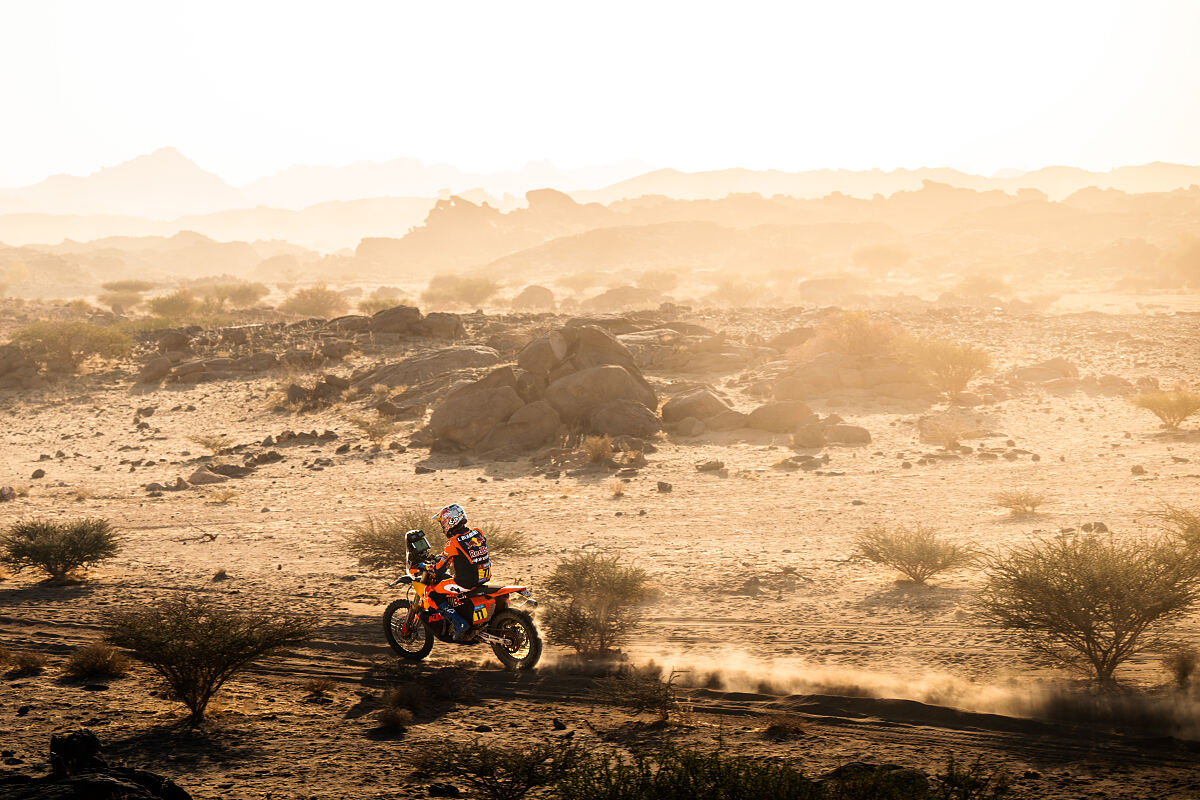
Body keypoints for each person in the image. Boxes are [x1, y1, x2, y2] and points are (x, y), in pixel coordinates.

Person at [422, 503, 491, 641]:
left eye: (443, 524)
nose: (443, 529)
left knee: (431, 592)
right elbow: (470, 553)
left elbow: (439, 570)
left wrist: (425, 566)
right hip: (484, 576)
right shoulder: (478, 532)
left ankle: (460, 623)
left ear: (450, 522)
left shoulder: (452, 543)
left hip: (465, 582)